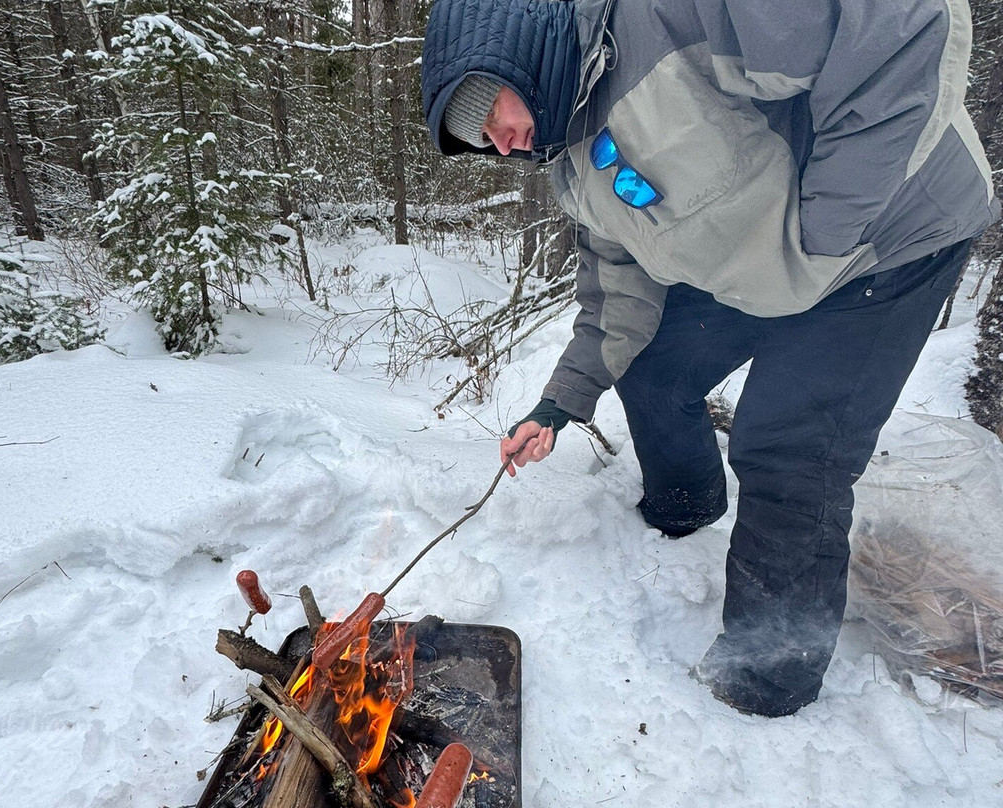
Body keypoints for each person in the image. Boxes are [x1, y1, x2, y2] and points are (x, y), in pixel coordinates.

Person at [421, 0, 999, 717]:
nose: (501, 145)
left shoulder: (668, 19)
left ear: (514, 56)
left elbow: (900, 24)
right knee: (655, 362)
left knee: (788, 447)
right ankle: (686, 506)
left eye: (490, 115)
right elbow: (615, 299)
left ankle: (768, 676)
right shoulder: (572, 160)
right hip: (772, 256)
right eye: (482, 141)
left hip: (886, 241)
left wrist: (824, 234)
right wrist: (558, 405)